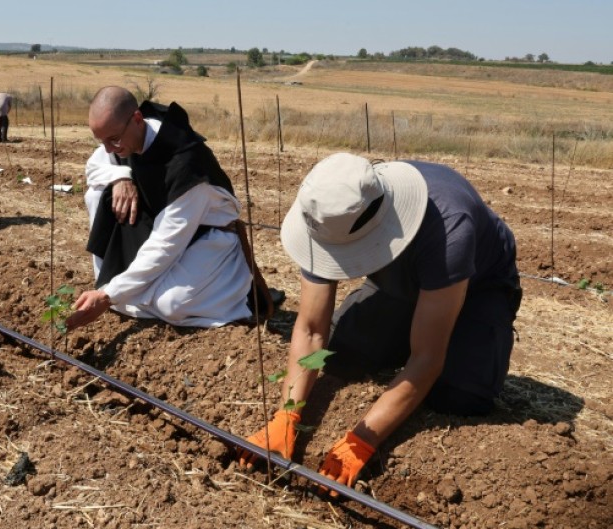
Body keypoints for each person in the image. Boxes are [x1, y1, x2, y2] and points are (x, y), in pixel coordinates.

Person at [239, 153, 522, 494]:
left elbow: (426, 358)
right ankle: (408, 325)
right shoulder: (327, 217)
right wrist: (286, 415)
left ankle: (451, 336)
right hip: (399, 282)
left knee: (461, 397)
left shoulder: (449, 227)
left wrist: (362, 440)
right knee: (341, 354)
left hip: (479, 288)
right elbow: (312, 330)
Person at [66, 86, 269, 330]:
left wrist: (110, 296)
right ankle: (121, 288)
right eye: (101, 141)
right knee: (98, 193)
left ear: (137, 119)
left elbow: (167, 242)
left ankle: (232, 292)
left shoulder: (186, 163)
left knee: (172, 305)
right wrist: (120, 176)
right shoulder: (123, 136)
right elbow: (94, 165)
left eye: (113, 140)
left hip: (207, 236)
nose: (109, 149)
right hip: (157, 224)